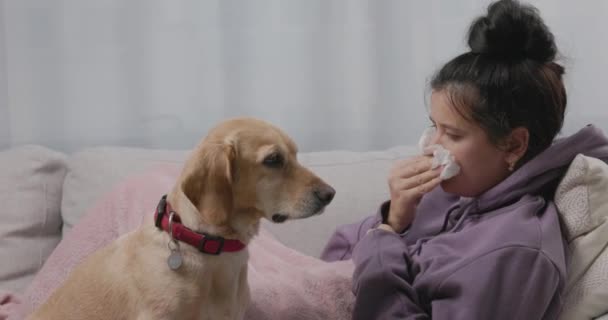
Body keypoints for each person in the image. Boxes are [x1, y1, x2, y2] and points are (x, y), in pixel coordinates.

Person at [321, 0, 608, 319]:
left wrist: (381, 248)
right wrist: (395, 221)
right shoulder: (446, 197)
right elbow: (332, 258)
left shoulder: (515, 249)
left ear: (513, 144)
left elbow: (363, 261)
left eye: (452, 134)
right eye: (434, 126)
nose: (431, 146)